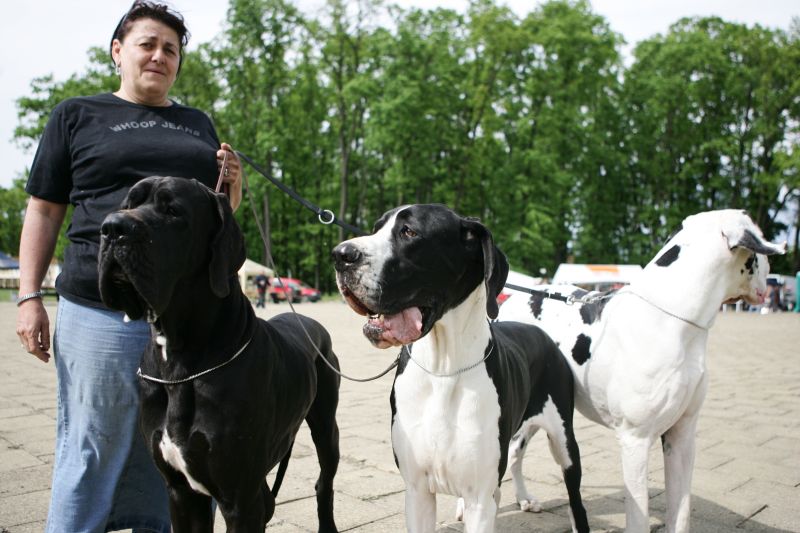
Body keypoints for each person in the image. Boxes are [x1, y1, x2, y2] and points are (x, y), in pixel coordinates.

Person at [14, 2, 242, 531]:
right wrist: (29, 297)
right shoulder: (77, 114)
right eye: (147, 44)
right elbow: (44, 209)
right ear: (118, 52)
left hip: (187, 318)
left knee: (178, 446)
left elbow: (214, 220)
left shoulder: (197, 124)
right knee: (94, 441)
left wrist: (232, 186)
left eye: (171, 49)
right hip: (102, 305)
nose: (160, 56)